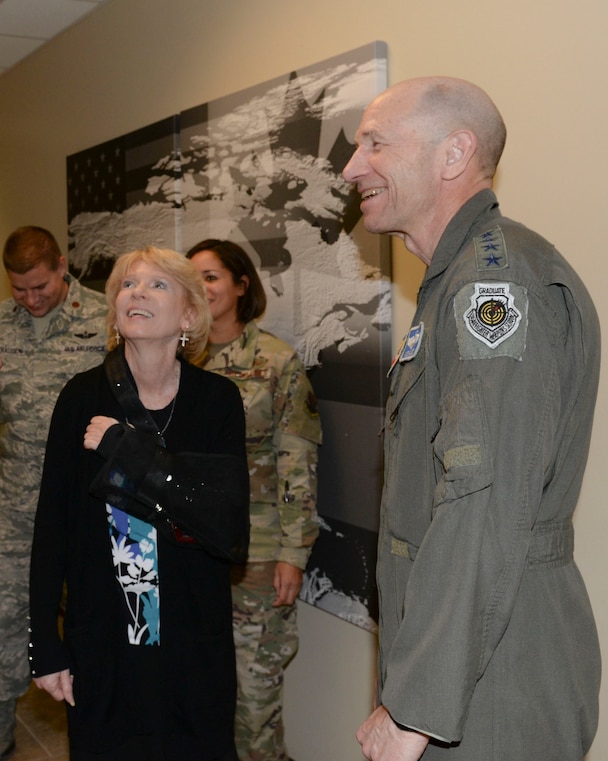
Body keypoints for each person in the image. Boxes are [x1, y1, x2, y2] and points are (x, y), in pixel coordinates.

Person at [344, 77, 600, 760]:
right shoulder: (454, 282)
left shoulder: (498, 283)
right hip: (466, 657)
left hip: (496, 673)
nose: (351, 167)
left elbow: (483, 497)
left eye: (375, 143)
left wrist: (414, 704)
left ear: (454, 153)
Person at [29, 246, 250, 760]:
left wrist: (126, 451)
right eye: (127, 285)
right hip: (104, 640)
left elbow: (226, 529)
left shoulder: (216, 401)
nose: (137, 293)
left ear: (189, 315)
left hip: (191, 640)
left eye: (157, 285)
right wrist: (45, 643)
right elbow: (51, 529)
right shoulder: (80, 398)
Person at [0, 225, 106, 761]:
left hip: (91, 500)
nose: (29, 299)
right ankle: (0, 720)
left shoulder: (105, 318)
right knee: (8, 609)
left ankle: (90, 717)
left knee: (92, 610)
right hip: (18, 500)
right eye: (19, 289)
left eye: (40, 287)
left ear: (62, 265)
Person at [187, 239, 321, 761]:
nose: (202, 288)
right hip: (190, 548)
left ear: (242, 285)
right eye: (192, 278)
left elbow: (297, 460)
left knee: (253, 697)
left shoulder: (275, 360)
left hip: (257, 553)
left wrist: (294, 553)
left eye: (213, 276)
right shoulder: (176, 359)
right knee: (199, 686)